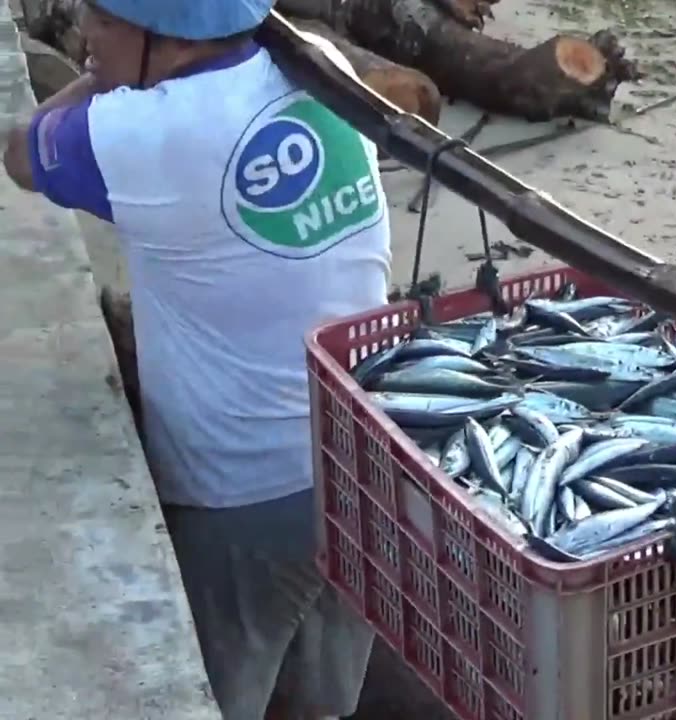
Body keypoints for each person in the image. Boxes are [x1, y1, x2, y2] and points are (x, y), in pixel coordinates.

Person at [3, 2, 388, 718]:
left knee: (215, 697)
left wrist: (98, 79)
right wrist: (128, 60)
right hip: (368, 463)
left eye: (101, 21)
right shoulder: (325, 71)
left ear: (168, 38)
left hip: (243, 493)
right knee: (325, 703)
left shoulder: (143, 133)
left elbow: (19, 151)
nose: (86, 34)